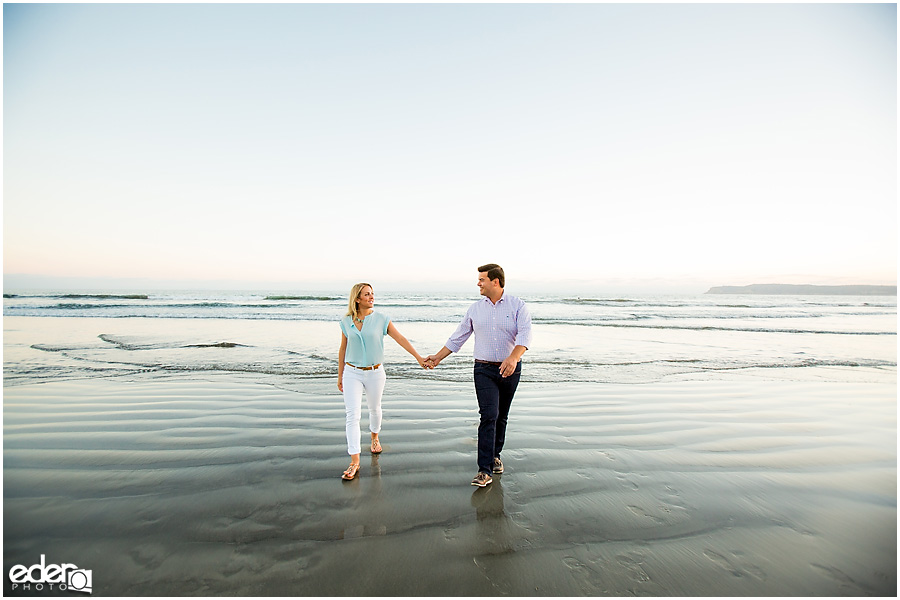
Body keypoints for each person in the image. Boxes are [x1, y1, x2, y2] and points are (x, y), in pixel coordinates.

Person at [424, 264, 532, 487]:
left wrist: (513, 357)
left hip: (510, 369)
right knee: (488, 415)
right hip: (483, 369)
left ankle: (495, 456)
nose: (478, 283)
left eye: (482, 279)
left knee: (501, 415)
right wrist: (437, 357)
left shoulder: (517, 306)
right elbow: (458, 337)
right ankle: (484, 470)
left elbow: (525, 335)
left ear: (496, 281)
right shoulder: (475, 309)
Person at [338, 282, 426, 480]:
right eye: (367, 294)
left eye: (372, 294)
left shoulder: (382, 319)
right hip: (352, 372)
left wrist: (419, 358)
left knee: (374, 409)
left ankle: (375, 438)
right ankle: (354, 461)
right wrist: (340, 374)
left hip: (375, 372)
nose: (371, 297)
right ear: (357, 299)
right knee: (352, 415)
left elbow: (401, 339)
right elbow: (343, 349)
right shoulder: (346, 321)